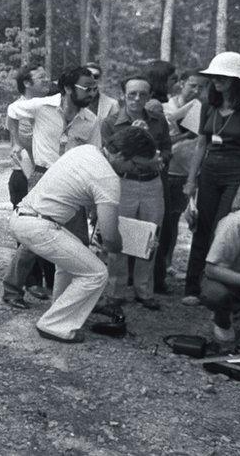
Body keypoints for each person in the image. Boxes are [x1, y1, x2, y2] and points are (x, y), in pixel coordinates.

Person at [9, 127, 157, 343]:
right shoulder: (107, 177)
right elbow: (110, 238)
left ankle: (59, 309)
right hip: (39, 225)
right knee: (96, 273)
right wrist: (140, 244)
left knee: (71, 261)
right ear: (120, 155)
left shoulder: (86, 150)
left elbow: (102, 222)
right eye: (135, 165)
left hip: (27, 217)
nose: (133, 171)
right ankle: (54, 325)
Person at [2, 66, 102, 309]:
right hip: (42, 177)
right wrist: (16, 143)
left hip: (73, 183)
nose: (92, 93)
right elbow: (12, 111)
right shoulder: (42, 106)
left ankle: (72, 296)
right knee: (34, 239)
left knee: (78, 241)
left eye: (94, 88)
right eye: (86, 88)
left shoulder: (91, 120)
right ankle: (12, 290)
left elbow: (94, 155)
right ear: (68, 88)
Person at [182, 52, 240, 306]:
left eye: (223, 77)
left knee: (222, 226)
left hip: (236, 173)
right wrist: (191, 180)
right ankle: (192, 287)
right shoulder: (209, 106)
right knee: (201, 226)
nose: (217, 80)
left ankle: (222, 288)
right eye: (214, 76)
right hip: (209, 171)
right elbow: (200, 145)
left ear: (236, 80)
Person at [99, 76, 171, 312]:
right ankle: (116, 291)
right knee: (119, 235)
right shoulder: (110, 122)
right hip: (124, 183)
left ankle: (144, 290)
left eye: (143, 94)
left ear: (150, 96)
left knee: (150, 237)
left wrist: (159, 159)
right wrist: (145, 155)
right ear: (123, 95)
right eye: (132, 94)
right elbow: (114, 158)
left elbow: (168, 151)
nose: (137, 99)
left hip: (152, 184)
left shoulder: (159, 120)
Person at [153, 70, 206, 292]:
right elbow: (162, 141)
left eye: (202, 87)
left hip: (193, 171)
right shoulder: (166, 108)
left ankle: (170, 262)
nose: (197, 91)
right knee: (168, 221)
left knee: (190, 221)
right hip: (171, 171)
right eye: (193, 85)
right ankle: (160, 265)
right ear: (182, 83)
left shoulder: (204, 109)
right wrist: (185, 135)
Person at [8, 64, 55, 300]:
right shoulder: (19, 110)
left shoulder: (50, 107)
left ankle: (52, 279)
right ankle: (31, 280)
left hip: (48, 175)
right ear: (26, 83)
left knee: (53, 228)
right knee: (30, 230)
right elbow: (22, 145)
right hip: (26, 176)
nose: (47, 79)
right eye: (41, 77)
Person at [200, 178, 240, 343]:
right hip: (229, 279)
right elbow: (211, 269)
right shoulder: (235, 225)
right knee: (215, 295)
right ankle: (222, 319)